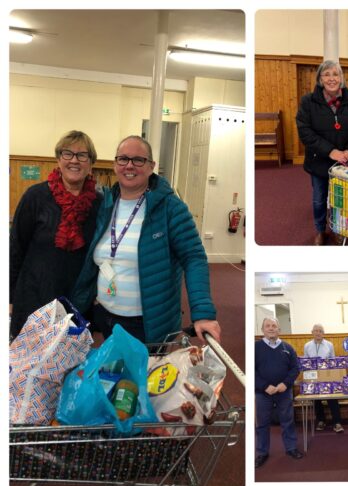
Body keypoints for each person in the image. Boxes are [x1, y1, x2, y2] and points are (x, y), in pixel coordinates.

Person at [71, 135, 220, 344]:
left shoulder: (171, 208)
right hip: (105, 315)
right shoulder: (106, 204)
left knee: (143, 377)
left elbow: (194, 257)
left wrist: (203, 311)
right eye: (123, 159)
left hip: (147, 324)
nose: (129, 165)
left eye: (138, 160)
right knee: (114, 374)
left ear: (151, 166)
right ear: (115, 165)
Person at [9, 130, 101, 340]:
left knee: (71, 368)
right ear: (59, 159)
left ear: (90, 163)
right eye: (67, 154)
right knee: (30, 367)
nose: (74, 161)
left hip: (76, 303)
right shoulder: (36, 196)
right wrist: (9, 298)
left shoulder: (99, 203)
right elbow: (15, 248)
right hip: (34, 300)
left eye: (82, 155)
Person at [296, 60, 348, 245]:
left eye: (335, 74)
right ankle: (320, 230)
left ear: (341, 78)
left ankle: (338, 228)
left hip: (345, 164)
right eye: (326, 74)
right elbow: (305, 132)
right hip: (319, 162)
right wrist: (331, 151)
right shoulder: (308, 102)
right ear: (320, 79)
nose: (331, 78)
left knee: (341, 199)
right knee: (319, 200)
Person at [255, 317, 303, 467]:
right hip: (263, 393)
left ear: (279, 329)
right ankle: (262, 453)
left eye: (274, 326)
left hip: (284, 392)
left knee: (288, 421)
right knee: (262, 424)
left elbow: (295, 369)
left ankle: (291, 448)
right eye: (267, 326)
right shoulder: (255, 348)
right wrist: (264, 386)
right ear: (262, 329)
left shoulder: (288, 348)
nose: (271, 328)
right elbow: (250, 370)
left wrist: (285, 383)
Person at [303, 323, 344, 433]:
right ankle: (321, 421)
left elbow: (333, 361)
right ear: (312, 332)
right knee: (317, 400)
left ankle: (337, 422)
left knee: (333, 399)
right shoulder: (307, 345)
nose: (318, 333)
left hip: (327, 376)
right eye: (316, 330)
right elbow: (305, 362)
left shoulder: (329, 345)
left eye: (320, 331)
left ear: (323, 333)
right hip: (313, 377)